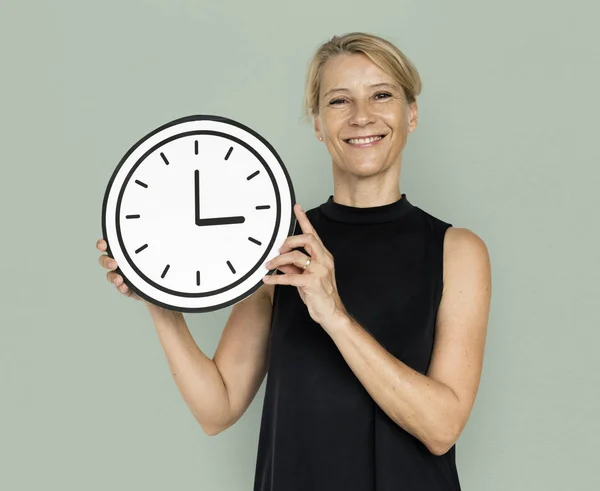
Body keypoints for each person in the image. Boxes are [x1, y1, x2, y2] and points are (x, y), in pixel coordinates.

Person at [97, 32, 491, 491]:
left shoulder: (456, 250)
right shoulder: (277, 247)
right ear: (319, 125)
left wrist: (334, 315)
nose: (362, 116)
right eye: (339, 101)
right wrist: (159, 299)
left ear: (412, 114)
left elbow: (442, 429)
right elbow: (217, 408)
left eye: (381, 95)